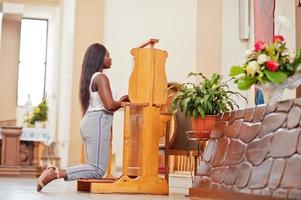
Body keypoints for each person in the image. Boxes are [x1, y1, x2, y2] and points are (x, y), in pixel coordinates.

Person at [37, 43, 129, 192]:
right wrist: (124, 104)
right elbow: (110, 106)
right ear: (98, 58)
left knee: (94, 167)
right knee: (98, 169)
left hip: (91, 121)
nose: (110, 59)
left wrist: (123, 100)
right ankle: (56, 173)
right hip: (98, 122)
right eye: (107, 55)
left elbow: (107, 103)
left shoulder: (92, 77)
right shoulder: (100, 77)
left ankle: (57, 172)